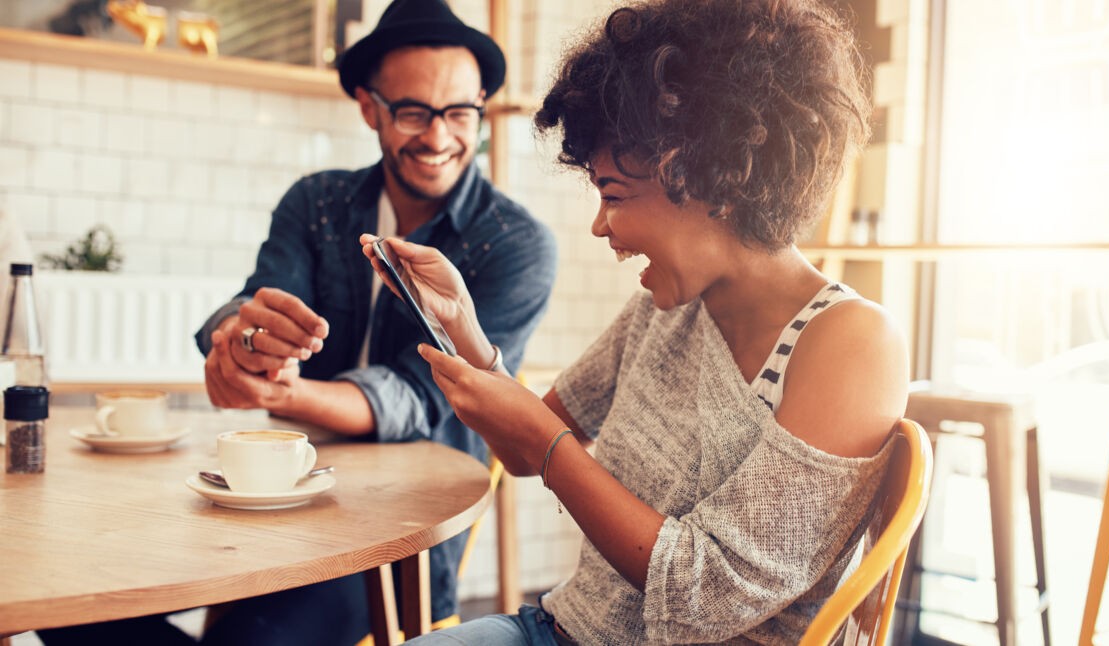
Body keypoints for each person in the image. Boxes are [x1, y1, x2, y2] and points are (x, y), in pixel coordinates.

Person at [360, 0, 909, 642]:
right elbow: (521, 452)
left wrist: (546, 443)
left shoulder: (852, 344)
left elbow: (706, 595)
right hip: (559, 629)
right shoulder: (661, 311)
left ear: (714, 177)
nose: (601, 226)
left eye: (614, 195)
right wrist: (466, 335)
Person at [37, 0, 555, 645]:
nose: (440, 136)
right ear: (370, 107)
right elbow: (256, 304)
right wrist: (240, 344)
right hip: (272, 489)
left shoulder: (517, 243)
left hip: (401, 526)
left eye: (459, 113)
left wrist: (284, 391)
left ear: (479, 107)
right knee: (72, 598)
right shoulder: (317, 201)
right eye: (413, 111)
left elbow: (418, 398)